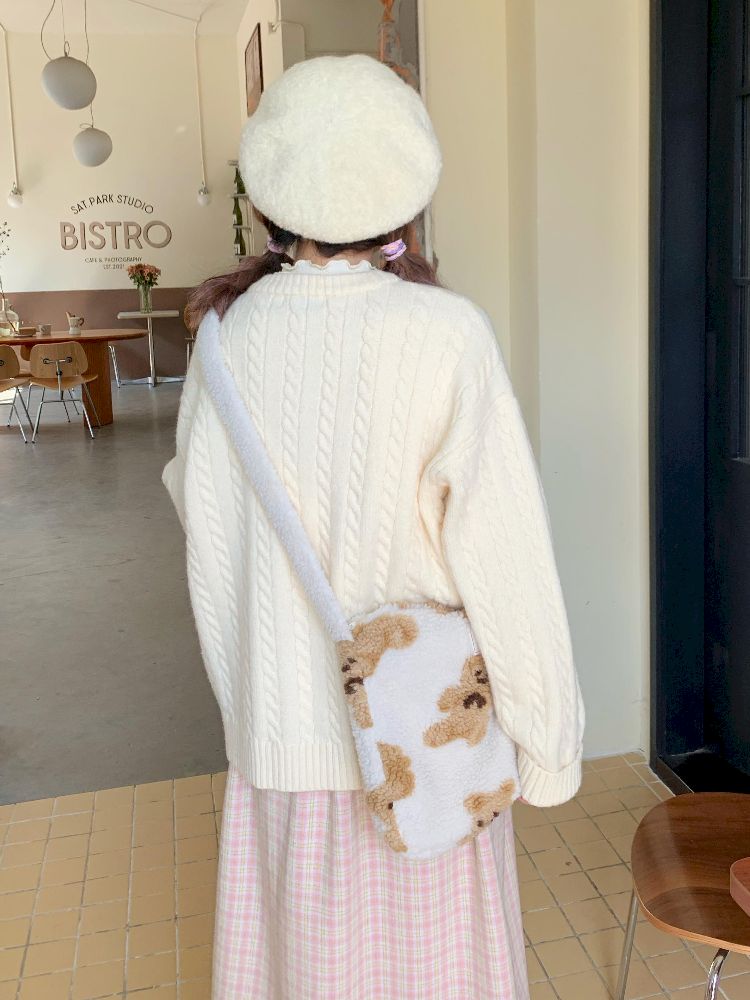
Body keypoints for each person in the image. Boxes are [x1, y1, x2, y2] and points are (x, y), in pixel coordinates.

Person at [163, 53, 584, 1000]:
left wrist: (254, 702)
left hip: (281, 750)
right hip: (423, 748)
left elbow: (211, 538)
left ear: (269, 193)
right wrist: (547, 739)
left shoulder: (225, 343)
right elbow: (507, 557)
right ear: (407, 189)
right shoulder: (446, 334)